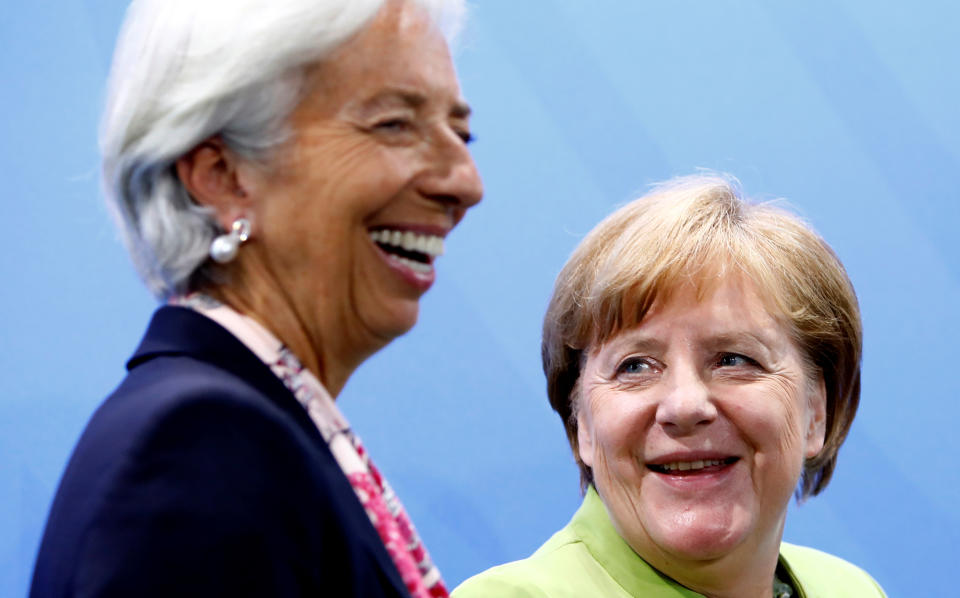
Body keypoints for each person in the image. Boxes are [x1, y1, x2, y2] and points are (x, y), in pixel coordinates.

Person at [30, 0, 482, 596]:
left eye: (461, 132)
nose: (465, 183)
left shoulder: (249, 431)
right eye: (394, 124)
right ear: (222, 174)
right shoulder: (199, 448)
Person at [454, 175, 885, 598]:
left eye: (734, 360)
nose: (684, 405)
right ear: (581, 421)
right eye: (635, 366)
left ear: (815, 413)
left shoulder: (850, 588)